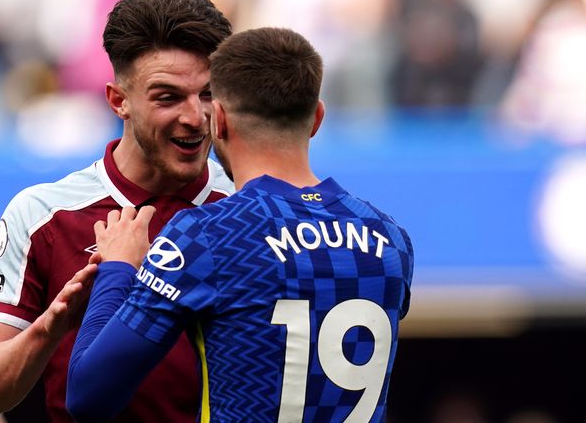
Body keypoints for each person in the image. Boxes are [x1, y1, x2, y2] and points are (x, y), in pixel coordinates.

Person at [66, 27, 415, 422]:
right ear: (317, 118)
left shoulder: (208, 237)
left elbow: (87, 396)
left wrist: (117, 268)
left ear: (219, 120)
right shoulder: (390, 239)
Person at [0, 0, 233, 422]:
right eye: (168, 97)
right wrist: (52, 325)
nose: (195, 117)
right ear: (118, 100)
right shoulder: (43, 215)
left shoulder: (245, 206)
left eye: (208, 94)